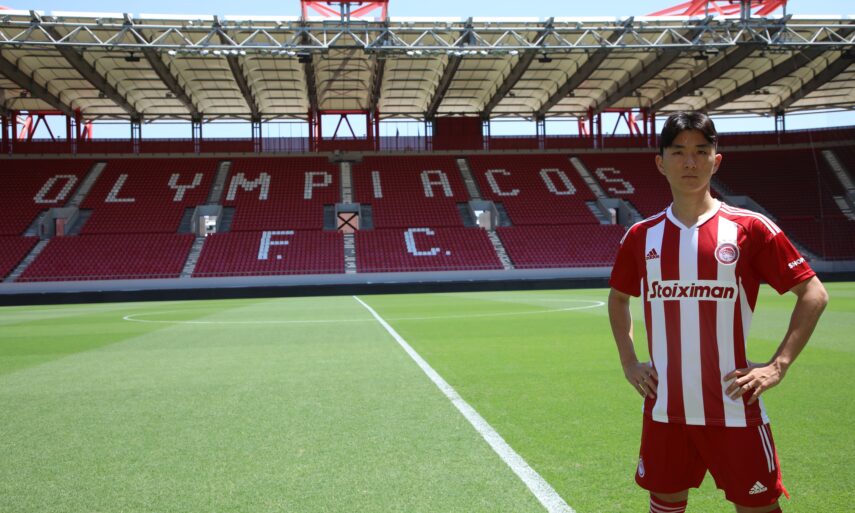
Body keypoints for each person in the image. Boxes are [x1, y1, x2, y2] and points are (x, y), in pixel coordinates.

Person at [607, 111, 828, 513]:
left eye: (700, 151)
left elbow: (813, 293)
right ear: (660, 162)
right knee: (665, 503)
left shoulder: (750, 228)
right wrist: (628, 361)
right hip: (666, 407)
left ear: (716, 160)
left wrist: (777, 366)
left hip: (734, 405)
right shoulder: (641, 236)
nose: (689, 162)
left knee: (758, 506)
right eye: (678, 152)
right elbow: (619, 298)